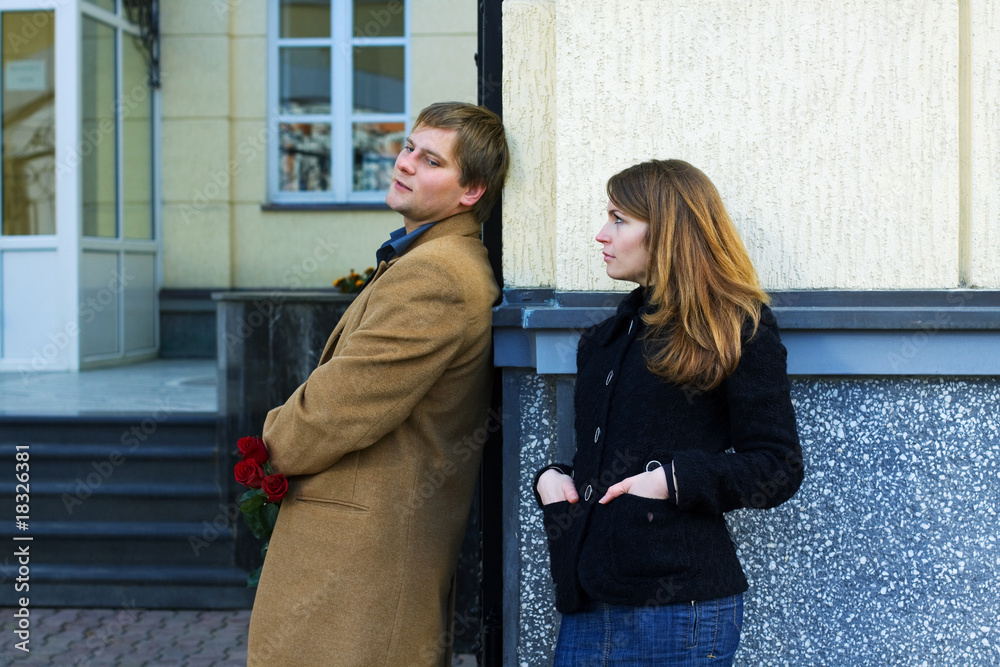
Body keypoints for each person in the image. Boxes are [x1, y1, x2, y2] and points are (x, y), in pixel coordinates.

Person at [247, 102, 510, 666]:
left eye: (432, 160)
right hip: (359, 554)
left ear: (471, 192)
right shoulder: (428, 258)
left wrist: (269, 444)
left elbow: (337, 409)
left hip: (360, 563)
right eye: (409, 147)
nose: (405, 162)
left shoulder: (437, 273)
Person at [534, 159, 803, 666]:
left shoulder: (734, 328)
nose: (601, 235)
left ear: (667, 231)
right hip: (587, 602)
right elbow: (607, 462)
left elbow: (777, 467)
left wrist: (671, 480)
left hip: (679, 610)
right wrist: (551, 480)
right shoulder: (602, 342)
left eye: (619, 220)